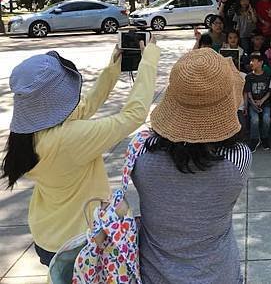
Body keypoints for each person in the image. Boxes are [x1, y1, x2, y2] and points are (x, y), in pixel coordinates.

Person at [1, 38, 160, 265]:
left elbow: (83, 107)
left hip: (48, 236)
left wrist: (113, 68)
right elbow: (132, 116)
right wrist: (149, 62)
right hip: (78, 243)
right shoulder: (68, 139)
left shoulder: (27, 135)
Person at [132, 48, 251, 284]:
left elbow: (152, 138)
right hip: (219, 274)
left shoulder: (140, 154)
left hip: (155, 276)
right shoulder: (239, 159)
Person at [244, 53, 271, 151]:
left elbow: (269, 91)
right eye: (251, 61)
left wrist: (262, 100)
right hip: (253, 104)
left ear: (260, 63)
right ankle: (254, 139)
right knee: (254, 120)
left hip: (265, 103)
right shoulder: (249, 77)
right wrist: (252, 103)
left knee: (266, 119)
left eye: (254, 61)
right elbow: (248, 92)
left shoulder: (267, 76)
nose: (251, 63)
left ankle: (264, 137)